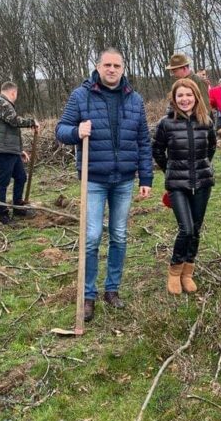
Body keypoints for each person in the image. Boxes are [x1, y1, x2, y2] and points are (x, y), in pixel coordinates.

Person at [55, 48, 153, 322]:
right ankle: (88, 295)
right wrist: (76, 132)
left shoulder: (135, 99)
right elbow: (60, 130)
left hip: (123, 179)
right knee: (92, 236)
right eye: (107, 65)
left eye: (117, 65)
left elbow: (143, 141)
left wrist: (145, 178)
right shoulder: (81, 96)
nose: (112, 69)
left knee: (119, 235)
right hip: (94, 178)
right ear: (98, 67)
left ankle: (112, 290)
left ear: (123, 69)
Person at [152, 78, 216, 294]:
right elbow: (158, 150)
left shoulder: (206, 120)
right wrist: (170, 169)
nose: (185, 99)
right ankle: (174, 270)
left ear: (196, 97)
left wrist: (201, 165)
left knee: (196, 230)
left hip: (202, 182)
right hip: (177, 184)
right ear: (174, 98)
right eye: (180, 95)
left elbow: (211, 147)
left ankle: (188, 272)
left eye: (189, 95)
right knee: (186, 229)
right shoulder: (165, 123)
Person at [0, 81, 40, 224]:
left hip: (9, 150)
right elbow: (14, 121)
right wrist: (32, 122)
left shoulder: (4, 104)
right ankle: (3, 214)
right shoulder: (0, 103)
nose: (16, 96)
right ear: (13, 92)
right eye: (16, 94)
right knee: (3, 182)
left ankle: (17, 207)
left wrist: (19, 151)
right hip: (1, 151)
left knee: (21, 177)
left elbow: (7, 129)